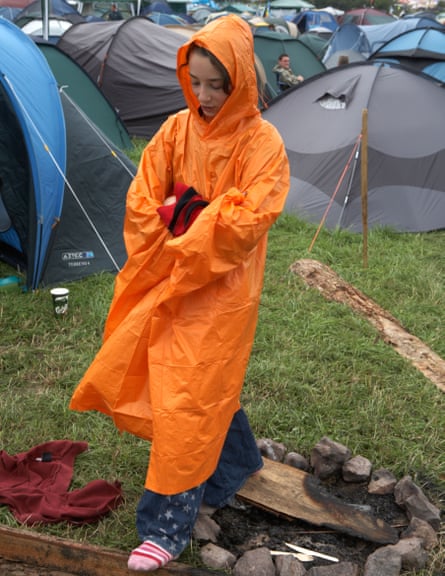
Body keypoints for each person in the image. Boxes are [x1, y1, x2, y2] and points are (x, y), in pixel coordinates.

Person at [69, 14, 290, 572]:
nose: (207, 96)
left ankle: (165, 528)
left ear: (243, 78)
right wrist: (188, 216)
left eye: (220, 84)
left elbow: (245, 221)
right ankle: (237, 464)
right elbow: (145, 197)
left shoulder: (264, 143)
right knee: (201, 384)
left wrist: (184, 216)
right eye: (197, 81)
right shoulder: (175, 129)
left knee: (189, 398)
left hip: (221, 294)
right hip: (168, 279)